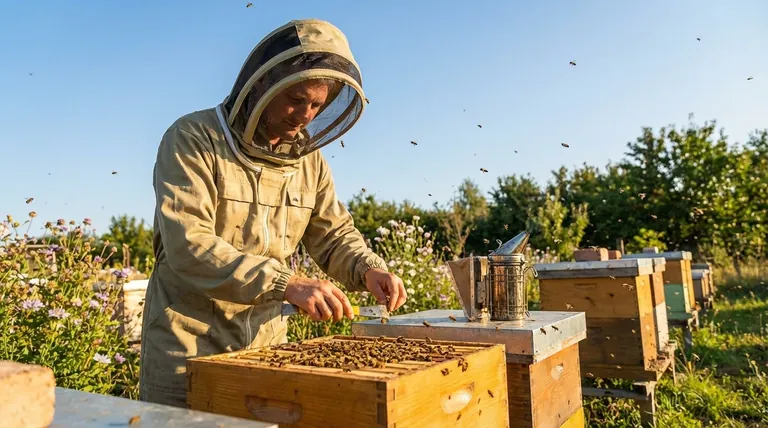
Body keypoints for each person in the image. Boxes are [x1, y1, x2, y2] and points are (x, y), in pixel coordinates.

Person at [139, 19, 407, 408]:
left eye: (316, 104)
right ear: (263, 85)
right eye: (296, 99)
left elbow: (332, 234)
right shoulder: (193, 139)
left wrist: (368, 268)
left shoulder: (309, 162)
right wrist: (288, 284)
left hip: (266, 346)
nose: (305, 115)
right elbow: (188, 244)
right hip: (188, 348)